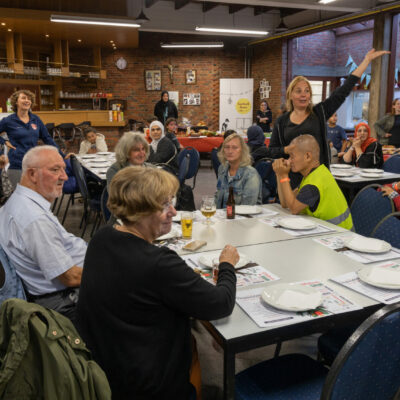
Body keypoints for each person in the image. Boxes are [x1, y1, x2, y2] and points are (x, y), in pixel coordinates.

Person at [76, 167, 238, 400]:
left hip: (104, 368)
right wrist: (227, 265)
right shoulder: (159, 264)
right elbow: (221, 304)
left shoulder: (101, 239)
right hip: (149, 384)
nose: (173, 211)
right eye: (164, 205)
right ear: (140, 211)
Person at [269, 49, 389, 188]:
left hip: (318, 177)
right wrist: (286, 150)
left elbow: (343, 91)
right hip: (291, 178)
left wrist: (366, 61)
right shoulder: (282, 121)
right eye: (298, 91)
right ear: (290, 95)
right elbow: (271, 150)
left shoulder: (319, 112)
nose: (303, 95)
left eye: (307, 91)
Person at [0, 146, 87, 322]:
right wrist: (110, 272)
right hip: (65, 301)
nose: (64, 176)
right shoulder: (33, 219)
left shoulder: (21, 201)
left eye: (63, 169)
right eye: (55, 170)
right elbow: (69, 277)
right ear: (32, 175)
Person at [273, 134, 353, 230]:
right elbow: (285, 203)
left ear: (307, 156)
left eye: (292, 156)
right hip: (329, 232)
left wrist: (284, 175)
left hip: (340, 237)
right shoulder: (315, 173)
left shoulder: (314, 183)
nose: (289, 161)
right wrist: (279, 174)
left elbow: (294, 208)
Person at [0, 89, 62, 188]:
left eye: (29, 99)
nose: (27, 100)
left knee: (34, 196)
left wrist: (61, 155)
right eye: (23, 98)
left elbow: (47, 139)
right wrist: (4, 141)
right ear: (16, 102)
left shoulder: (36, 119)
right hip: (17, 165)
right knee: (18, 198)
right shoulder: (8, 121)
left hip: (34, 164)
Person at [215, 133, 262, 208]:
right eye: (227, 147)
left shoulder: (250, 174)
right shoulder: (222, 168)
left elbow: (247, 208)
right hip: (223, 216)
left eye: (234, 147)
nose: (230, 151)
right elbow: (217, 199)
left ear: (242, 151)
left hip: (243, 217)